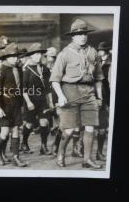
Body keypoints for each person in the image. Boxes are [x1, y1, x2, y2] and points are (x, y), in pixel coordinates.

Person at [50, 19, 104, 169]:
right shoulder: (64, 54)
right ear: (73, 36)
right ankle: (60, 154)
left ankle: (87, 160)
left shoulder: (93, 52)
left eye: (84, 33)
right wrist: (61, 96)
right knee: (69, 129)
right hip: (70, 93)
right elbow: (55, 80)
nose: (83, 37)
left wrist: (99, 97)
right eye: (79, 34)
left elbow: (99, 77)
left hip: (89, 93)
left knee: (90, 127)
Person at [0, 42, 27, 167]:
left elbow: (21, 86)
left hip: (16, 104)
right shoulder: (2, 70)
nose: (15, 59)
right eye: (12, 57)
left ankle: (16, 157)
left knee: (16, 130)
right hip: (5, 104)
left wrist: (22, 103)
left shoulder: (18, 68)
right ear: (7, 57)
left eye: (16, 56)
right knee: (4, 131)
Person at [21, 43, 53, 155]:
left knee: (44, 122)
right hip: (30, 100)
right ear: (31, 56)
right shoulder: (26, 70)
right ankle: (24, 143)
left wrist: (51, 102)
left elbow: (48, 87)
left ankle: (43, 147)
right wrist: (29, 102)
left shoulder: (45, 69)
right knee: (29, 124)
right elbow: (23, 89)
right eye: (35, 54)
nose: (38, 56)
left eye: (40, 54)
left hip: (42, 100)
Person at [96, 41, 112, 161]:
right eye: (99, 50)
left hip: (106, 97)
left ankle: (99, 152)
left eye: (101, 50)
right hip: (95, 96)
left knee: (102, 126)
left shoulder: (111, 63)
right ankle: (79, 147)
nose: (99, 52)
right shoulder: (97, 62)